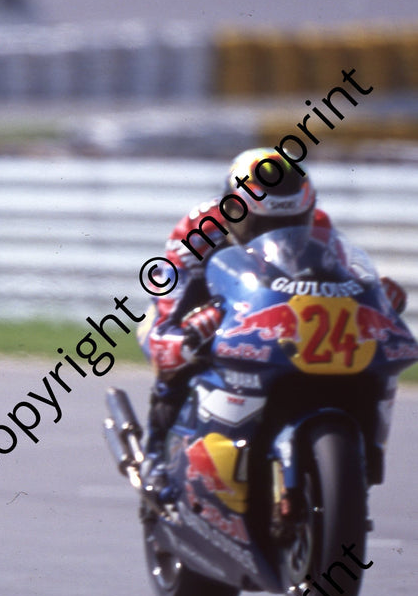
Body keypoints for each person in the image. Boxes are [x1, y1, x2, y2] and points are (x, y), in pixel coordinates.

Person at [136, 148, 407, 488]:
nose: (282, 232)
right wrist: (184, 335)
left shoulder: (320, 226)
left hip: (274, 311)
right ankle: (156, 457)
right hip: (204, 307)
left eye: (294, 222)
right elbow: (165, 310)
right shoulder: (197, 231)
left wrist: (378, 297)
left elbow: (346, 278)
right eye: (265, 224)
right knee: (173, 359)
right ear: (233, 209)